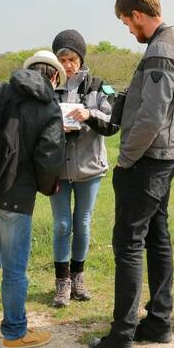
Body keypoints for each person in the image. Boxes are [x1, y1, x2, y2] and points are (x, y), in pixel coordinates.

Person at [89, 0, 174, 348]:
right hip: (164, 157)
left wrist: (126, 159)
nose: (128, 31)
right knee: (157, 237)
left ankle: (121, 338)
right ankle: (159, 321)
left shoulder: (162, 49)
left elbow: (151, 116)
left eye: (126, 23)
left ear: (137, 14)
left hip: (147, 160)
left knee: (129, 243)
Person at [0, 50, 65, 348]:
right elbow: (49, 157)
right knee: (14, 268)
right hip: (16, 196)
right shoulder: (48, 106)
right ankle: (15, 332)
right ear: (55, 76)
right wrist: (48, 187)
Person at [50, 29, 119, 307]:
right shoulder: (47, 87)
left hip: (90, 168)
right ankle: (62, 283)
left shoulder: (101, 85)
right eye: (62, 59)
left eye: (72, 59)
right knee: (62, 225)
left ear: (81, 58)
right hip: (57, 169)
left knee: (83, 223)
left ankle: (79, 277)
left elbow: (114, 120)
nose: (67, 65)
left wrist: (90, 114)